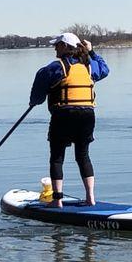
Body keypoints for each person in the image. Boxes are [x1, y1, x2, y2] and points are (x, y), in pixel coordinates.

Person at [30, 32, 109, 208]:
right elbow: (105, 70)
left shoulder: (55, 67)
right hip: (87, 116)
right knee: (83, 156)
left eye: (58, 44)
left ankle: (57, 200)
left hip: (63, 115)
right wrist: (92, 52)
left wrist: (34, 101)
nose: (55, 47)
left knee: (57, 158)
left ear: (66, 47)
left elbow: (38, 92)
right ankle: (90, 198)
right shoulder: (89, 66)